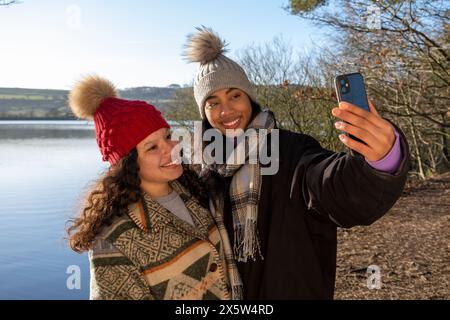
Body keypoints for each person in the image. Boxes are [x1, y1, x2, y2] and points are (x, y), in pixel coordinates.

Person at [183, 27, 410, 299]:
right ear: (204, 112)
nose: (226, 110)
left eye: (235, 95)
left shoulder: (291, 151)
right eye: (213, 102)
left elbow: (329, 184)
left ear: (250, 98)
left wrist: (381, 158)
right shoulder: (199, 171)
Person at [66, 75, 243, 300]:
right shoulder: (114, 241)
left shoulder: (195, 191)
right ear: (128, 164)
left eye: (168, 137)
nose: (171, 148)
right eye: (152, 147)